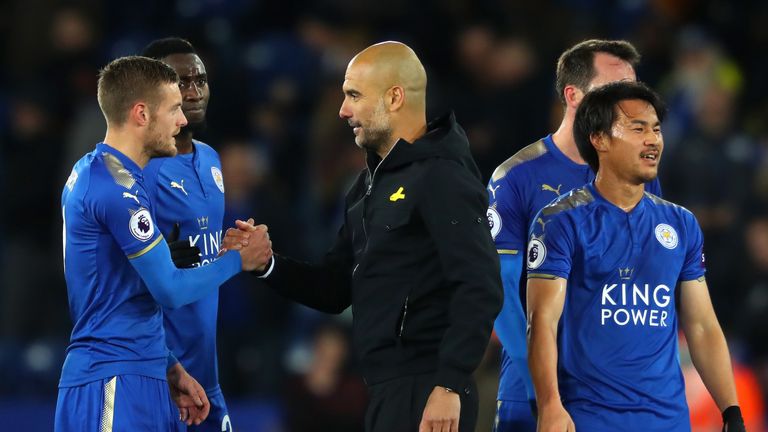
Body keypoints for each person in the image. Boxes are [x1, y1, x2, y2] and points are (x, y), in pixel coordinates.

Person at [225, 41, 503, 432]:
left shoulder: (442, 176)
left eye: (354, 94)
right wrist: (267, 265)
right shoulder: (366, 186)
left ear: (394, 97)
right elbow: (336, 288)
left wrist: (449, 383)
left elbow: (481, 285)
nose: (342, 110)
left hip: (428, 392)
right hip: (386, 390)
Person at [55, 56, 272, 431]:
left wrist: (168, 364)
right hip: (111, 380)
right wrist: (240, 259)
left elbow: (121, 292)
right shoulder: (114, 190)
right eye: (173, 109)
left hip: (143, 372)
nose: (183, 119)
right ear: (141, 114)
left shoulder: (110, 176)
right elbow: (169, 289)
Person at [525, 81, 746, 432]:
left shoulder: (681, 224)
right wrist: (550, 405)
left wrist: (731, 411)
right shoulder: (560, 221)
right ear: (599, 139)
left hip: (668, 421)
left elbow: (702, 325)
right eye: (638, 128)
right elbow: (542, 322)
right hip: (589, 419)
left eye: (656, 129)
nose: (653, 139)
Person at [485, 39, 662, 431]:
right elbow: (499, 291)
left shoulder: (641, 176)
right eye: (615, 91)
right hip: (534, 394)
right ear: (574, 96)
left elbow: (645, 280)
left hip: (617, 393)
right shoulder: (517, 177)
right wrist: (542, 386)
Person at [141, 37, 232, 432]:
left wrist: (234, 244)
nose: (194, 92)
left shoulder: (210, 158)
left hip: (206, 378)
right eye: (182, 82)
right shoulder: (141, 171)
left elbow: (204, 249)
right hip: (161, 380)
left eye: (201, 80)